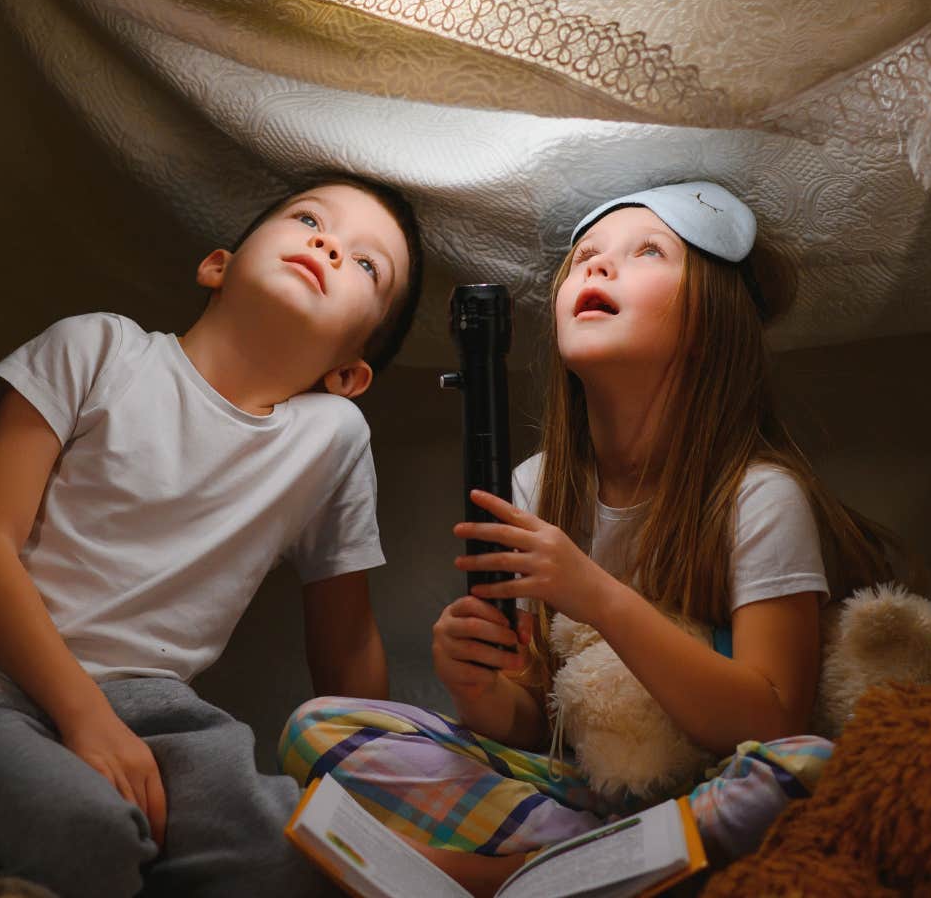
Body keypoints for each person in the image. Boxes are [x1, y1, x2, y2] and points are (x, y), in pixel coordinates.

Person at [279, 180, 893, 896]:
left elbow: (771, 720)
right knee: (317, 730)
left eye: (647, 252)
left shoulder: (757, 494)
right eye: (584, 257)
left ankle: (497, 878)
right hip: (584, 800)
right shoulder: (537, 487)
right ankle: (586, 870)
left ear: (711, 323)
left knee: (803, 770)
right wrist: (476, 686)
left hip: (712, 785)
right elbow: (532, 723)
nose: (597, 265)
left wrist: (595, 594)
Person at [0, 175, 424, 898]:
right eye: (309, 219)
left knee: (306, 860)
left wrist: (379, 791)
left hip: (158, 715)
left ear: (349, 373)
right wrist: (85, 718)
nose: (330, 246)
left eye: (368, 265)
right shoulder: (97, 348)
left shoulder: (331, 438)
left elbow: (346, 644)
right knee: (85, 834)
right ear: (217, 265)